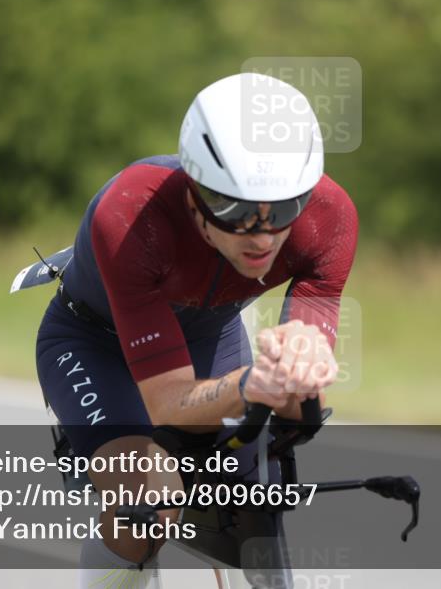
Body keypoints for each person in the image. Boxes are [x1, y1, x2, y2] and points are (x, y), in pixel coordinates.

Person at [32, 72, 358, 588]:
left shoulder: (329, 218)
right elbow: (168, 405)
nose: (262, 236)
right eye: (235, 210)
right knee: (145, 500)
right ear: (194, 196)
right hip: (95, 341)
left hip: (209, 333)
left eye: (284, 209)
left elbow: (300, 407)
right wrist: (252, 385)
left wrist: (302, 366)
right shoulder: (130, 213)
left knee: (252, 506)